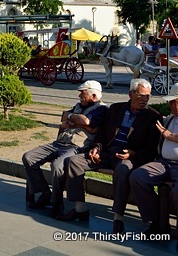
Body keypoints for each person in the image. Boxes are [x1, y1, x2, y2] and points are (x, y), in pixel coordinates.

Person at [57, 78, 162, 235]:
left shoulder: (152, 117)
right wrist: (96, 148)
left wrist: (132, 153)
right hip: (106, 152)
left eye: (147, 96)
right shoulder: (116, 109)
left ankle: (118, 218)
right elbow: (102, 134)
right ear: (130, 94)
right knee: (73, 162)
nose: (144, 100)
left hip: (127, 156)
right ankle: (80, 209)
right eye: (141, 95)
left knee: (123, 170)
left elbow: (150, 150)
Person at [22, 81, 108, 217]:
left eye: (83, 92)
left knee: (57, 166)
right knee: (29, 157)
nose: (80, 95)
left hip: (77, 147)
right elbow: (64, 120)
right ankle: (45, 193)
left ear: (93, 95)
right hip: (60, 142)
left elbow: (85, 121)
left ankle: (56, 202)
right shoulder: (78, 106)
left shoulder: (102, 109)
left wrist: (76, 121)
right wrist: (78, 122)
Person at [129, 81, 178, 249]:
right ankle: (157, 222)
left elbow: (171, 135)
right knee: (138, 177)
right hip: (164, 163)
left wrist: (170, 136)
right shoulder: (170, 117)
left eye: (173, 101)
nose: (169, 104)